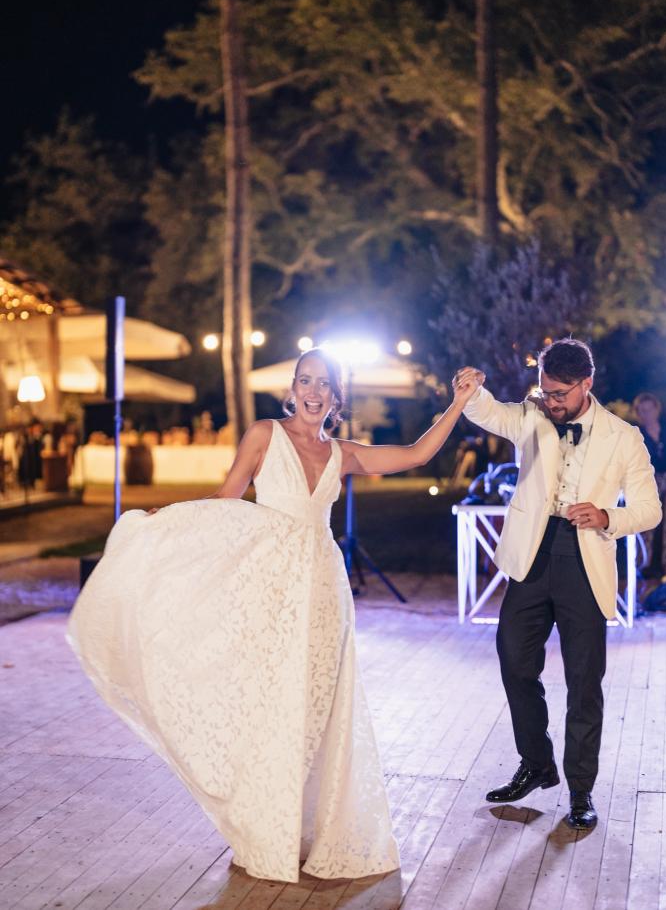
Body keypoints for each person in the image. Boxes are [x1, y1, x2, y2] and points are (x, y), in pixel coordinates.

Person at [67, 348, 478, 883]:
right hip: (271, 588)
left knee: (321, 708)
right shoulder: (265, 435)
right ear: (293, 389)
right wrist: (167, 519)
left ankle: (314, 828)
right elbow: (227, 499)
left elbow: (417, 454)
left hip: (325, 593)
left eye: (323, 383)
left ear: (335, 395)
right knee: (273, 704)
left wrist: (458, 403)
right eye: (305, 380)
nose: (313, 391)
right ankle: (268, 827)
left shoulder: (343, 454)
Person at [455, 339, 661, 832]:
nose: (551, 401)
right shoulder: (532, 416)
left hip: (584, 561)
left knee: (584, 682)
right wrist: (469, 390)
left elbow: (649, 509)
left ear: (587, 384)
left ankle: (581, 790)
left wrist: (607, 515)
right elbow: (489, 412)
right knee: (513, 659)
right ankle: (536, 763)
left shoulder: (623, 437)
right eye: (545, 390)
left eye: (560, 393)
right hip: (532, 556)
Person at [633, 392, 666, 579]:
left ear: (657, 409)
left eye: (650, 409)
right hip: (649, 478)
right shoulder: (637, 435)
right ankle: (644, 563)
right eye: (642, 411)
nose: (647, 414)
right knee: (648, 520)